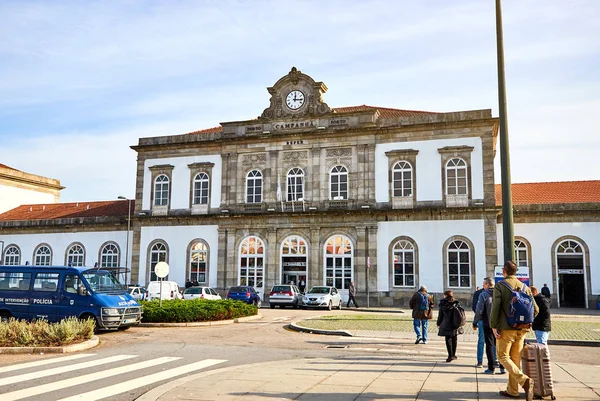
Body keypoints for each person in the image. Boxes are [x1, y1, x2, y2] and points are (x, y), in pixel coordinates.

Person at [491, 261, 539, 401]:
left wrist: (494, 326)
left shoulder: (500, 285)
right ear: (516, 272)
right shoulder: (525, 287)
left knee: (502, 356)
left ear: (504, 271)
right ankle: (512, 391)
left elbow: (495, 307)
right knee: (515, 360)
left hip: (506, 329)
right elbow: (535, 309)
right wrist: (526, 322)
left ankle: (524, 380)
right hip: (522, 329)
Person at [473, 277, 505, 374]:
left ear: (487, 284)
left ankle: (491, 368)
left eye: (484, 284)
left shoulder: (484, 295)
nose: (483, 286)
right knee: (500, 345)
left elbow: (479, 310)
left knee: (489, 345)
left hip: (488, 323)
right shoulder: (500, 293)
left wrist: (475, 322)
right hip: (500, 323)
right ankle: (502, 367)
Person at [437, 290, 462, 362]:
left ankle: (450, 355)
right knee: (454, 339)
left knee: (448, 339)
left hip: (446, 323)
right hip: (455, 323)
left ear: (445, 295)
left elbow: (440, 315)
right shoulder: (456, 302)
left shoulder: (443, 303)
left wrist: (438, 323)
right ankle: (453, 355)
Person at [471, 284, 485, 367]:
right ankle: (495, 360)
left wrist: (475, 322)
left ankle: (480, 361)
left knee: (481, 341)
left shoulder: (479, 293)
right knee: (493, 342)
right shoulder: (497, 292)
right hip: (492, 321)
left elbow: (476, 308)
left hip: (482, 320)